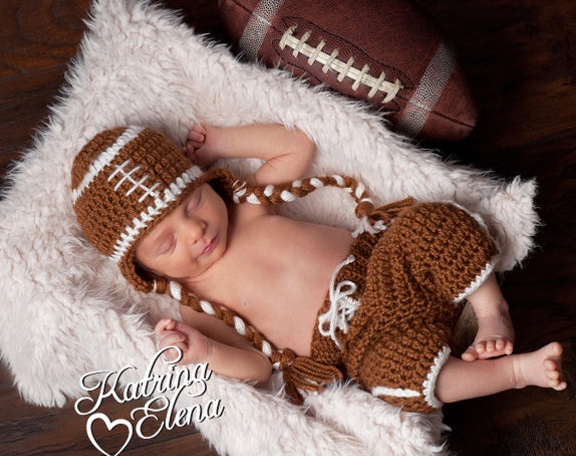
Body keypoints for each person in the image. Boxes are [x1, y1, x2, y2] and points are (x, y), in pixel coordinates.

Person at [71, 124, 566, 413]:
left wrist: (222, 141)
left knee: (431, 222)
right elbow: (257, 366)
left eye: (194, 202)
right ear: (139, 267)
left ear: (207, 182)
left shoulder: (246, 205)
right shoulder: (196, 306)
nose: (196, 230)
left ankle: (491, 310)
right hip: (358, 337)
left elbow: (295, 147)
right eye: (166, 241)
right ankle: (515, 372)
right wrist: (204, 352)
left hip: (379, 264)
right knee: (395, 378)